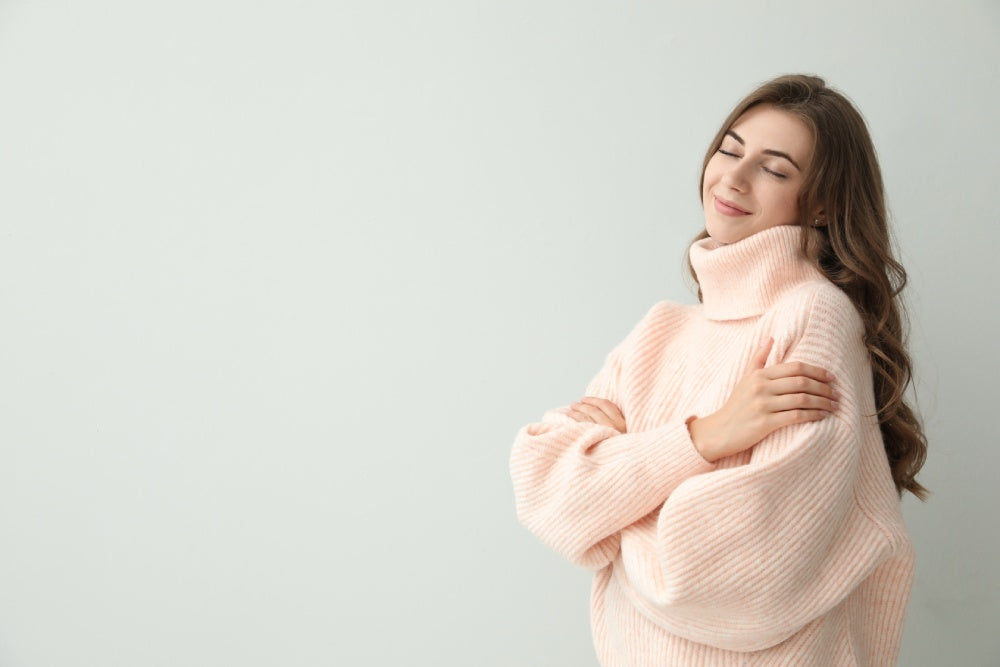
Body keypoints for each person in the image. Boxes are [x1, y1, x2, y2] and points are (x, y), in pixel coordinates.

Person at [508, 74, 929, 666]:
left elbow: (740, 571)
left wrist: (610, 498)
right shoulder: (662, 330)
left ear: (824, 202)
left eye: (775, 169)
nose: (733, 176)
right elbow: (542, 490)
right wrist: (703, 438)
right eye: (730, 150)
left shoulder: (811, 318)